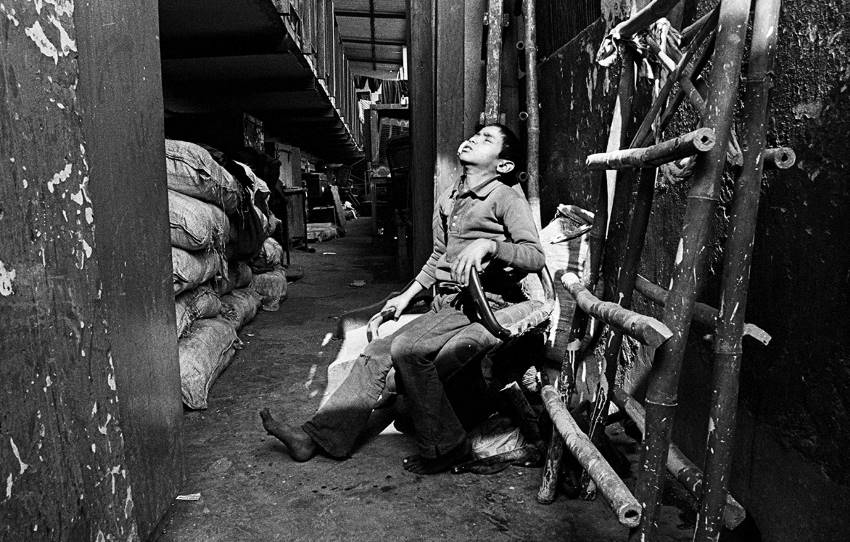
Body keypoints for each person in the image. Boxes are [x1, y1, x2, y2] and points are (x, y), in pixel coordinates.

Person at [260, 123, 544, 474]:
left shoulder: (506, 196)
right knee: (375, 353)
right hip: (450, 304)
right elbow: (438, 258)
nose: (472, 139)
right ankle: (315, 438)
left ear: (502, 165)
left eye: (487, 139)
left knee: (408, 350)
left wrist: (490, 245)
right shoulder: (450, 198)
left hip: (485, 304)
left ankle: (445, 449)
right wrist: (406, 297)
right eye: (475, 133)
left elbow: (534, 255)